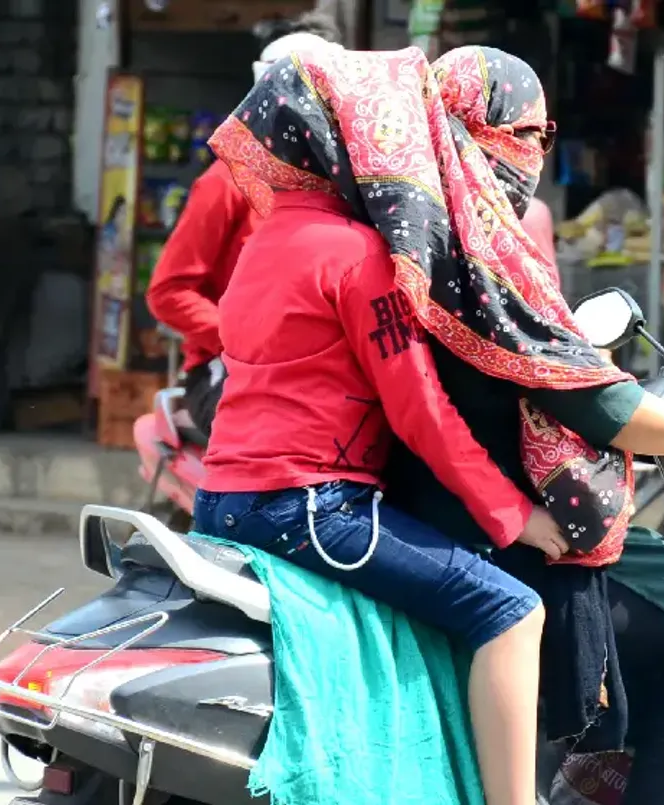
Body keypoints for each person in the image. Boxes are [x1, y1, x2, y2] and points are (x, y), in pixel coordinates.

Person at [208, 40, 664, 805]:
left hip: (278, 493)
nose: (534, 155)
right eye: (526, 134)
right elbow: (555, 404)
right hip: (377, 511)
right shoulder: (431, 258)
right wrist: (517, 511)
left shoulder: (288, 242)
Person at [197, 45, 587, 805]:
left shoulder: (263, 244)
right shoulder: (358, 256)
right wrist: (513, 517)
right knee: (512, 609)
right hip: (312, 507)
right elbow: (420, 411)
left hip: (221, 496)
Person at [145, 11, 342, 436]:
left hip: (322, 371)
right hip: (229, 372)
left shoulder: (350, 186)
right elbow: (168, 292)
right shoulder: (225, 181)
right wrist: (247, 342)